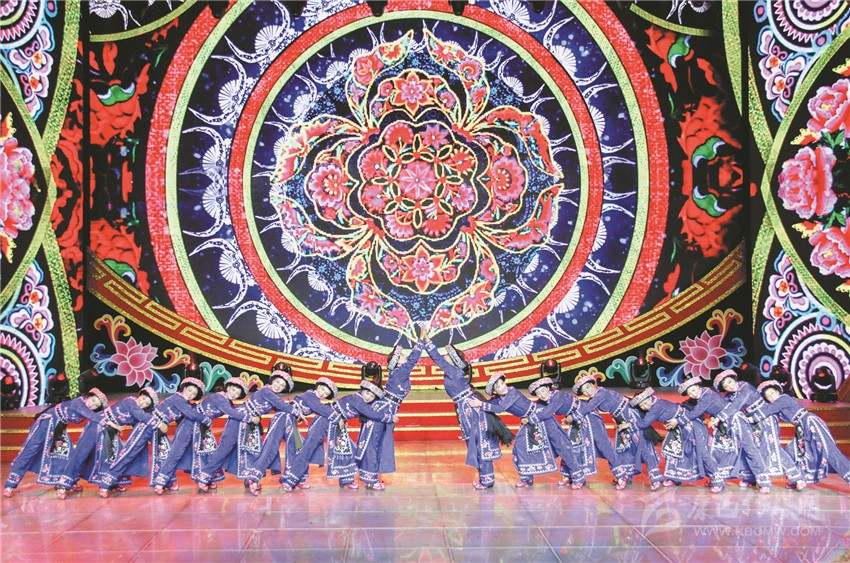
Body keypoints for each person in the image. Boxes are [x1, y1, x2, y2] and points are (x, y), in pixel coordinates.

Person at [195, 364, 304, 495]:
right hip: (240, 420)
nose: (278, 386)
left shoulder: (271, 396)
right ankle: (204, 475)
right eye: (277, 382)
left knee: (251, 450)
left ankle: (248, 477)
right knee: (225, 448)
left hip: (251, 423)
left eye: (282, 385)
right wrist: (297, 412)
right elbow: (281, 405)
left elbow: (279, 407)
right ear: (272, 380)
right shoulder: (266, 391)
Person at [423, 325, 507, 490]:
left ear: (453, 360)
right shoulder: (453, 371)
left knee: (480, 441)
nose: (444, 357)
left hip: (470, 408)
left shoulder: (453, 370)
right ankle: (485, 478)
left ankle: (486, 480)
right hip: (466, 408)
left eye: (447, 355)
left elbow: (436, 357)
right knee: (476, 441)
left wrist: (426, 339)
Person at [99, 378, 211, 497]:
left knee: (165, 453)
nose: (190, 394)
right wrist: (206, 419)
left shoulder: (185, 403)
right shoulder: (177, 398)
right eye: (189, 390)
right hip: (148, 425)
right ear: (184, 388)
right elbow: (191, 413)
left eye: (194, 394)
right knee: (129, 453)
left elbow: (185, 416)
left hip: (159, 429)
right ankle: (105, 484)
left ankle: (164, 482)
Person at [470, 374, 583, 488]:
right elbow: (489, 404)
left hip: (540, 416)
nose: (502, 387)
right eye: (498, 386)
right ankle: (526, 478)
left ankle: (577, 476)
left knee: (561, 445)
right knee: (520, 447)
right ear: (495, 392)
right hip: (528, 421)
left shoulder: (512, 391)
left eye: (502, 383)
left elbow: (500, 409)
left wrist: (480, 404)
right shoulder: (498, 399)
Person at [151, 377, 257, 494]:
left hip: (201, 427)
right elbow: (232, 412)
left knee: (206, 452)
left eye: (237, 393)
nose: (234, 394)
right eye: (233, 390)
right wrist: (250, 418)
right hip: (190, 424)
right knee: (177, 452)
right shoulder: (219, 398)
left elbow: (235, 411)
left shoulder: (227, 401)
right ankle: (160, 482)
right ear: (228, 388)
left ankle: (205, 479)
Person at [4, 389, 117, 497]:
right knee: (31, 449)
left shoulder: (88, 409)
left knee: (66, 453)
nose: (92, 405)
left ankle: (67, 482)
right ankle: (10, 484)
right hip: (46, 422)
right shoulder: (78, 402)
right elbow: (90, 414)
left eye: (96, 405)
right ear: (88, 396)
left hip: (58, 427)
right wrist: (109, 422)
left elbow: (98, 414)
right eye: (93, 400)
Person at [55, 388, 158, 499]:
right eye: (143, 398)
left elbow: (139, 423)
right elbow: (142, 416)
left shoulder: (137, 410)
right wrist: (159, 422)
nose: (143, 403)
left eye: (146, 404)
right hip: (96, 425)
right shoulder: (130, 402)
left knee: (112, 455)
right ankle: (63, 484)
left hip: (109, 431)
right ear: (140, 395)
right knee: (81, 454)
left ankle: (110, 483)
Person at [748, 380, 850, 486]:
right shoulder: (777, 405)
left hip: (810, 422)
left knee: (829, 450)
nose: (771, 397)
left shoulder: (783, 398)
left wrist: (752, 418)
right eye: (768, 396)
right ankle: (799, 479)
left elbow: (768, 409)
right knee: (792, 451)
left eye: (772, 393)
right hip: (801, 427)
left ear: (777, 391)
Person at [356, 334, 425, 489]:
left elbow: (411, 360)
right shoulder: (400, 372)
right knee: (374, 443)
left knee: (378, 443)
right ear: (397, 360)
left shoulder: (398, 373)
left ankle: (371, 478)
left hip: (387, 408)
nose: (406, 356)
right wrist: (421, 339)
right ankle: (371, 479)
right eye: (402, 355)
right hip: (383, 410)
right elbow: (413, 359)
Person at [326, 379, 398, 490]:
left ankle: (346, 480)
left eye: (372, 396)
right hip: (329, 419)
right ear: (362, 389)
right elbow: (372, 413)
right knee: (309, 450)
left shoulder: (360, 399)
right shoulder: (358, 399)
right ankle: (296, 478)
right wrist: (390, 418)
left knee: (347, 451)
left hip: (336, 421)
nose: (368, 397)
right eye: (367, 393)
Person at [526, 376, 597, 487]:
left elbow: (547, 412)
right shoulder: (546, 399)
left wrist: (529, 419)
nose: (542, 395)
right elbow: (537, 406)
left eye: (543, 391)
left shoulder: (558, 396)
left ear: (548, 388)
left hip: (584, 416)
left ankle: (579, 476)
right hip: (574, 419)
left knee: (579, 448)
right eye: (538, 393)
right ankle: (568, 475)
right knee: (569, 446)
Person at [571, 374, 634, 488]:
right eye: (584, 391)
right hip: (621, 418)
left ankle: (624, 476)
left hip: (629, 414)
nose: (587, 392)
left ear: (593, 385)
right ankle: (625, 475)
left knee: (634, 447)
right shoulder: (595, 396)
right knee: (624, 448)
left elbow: (588, 408)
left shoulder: (601, 393)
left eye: (588, 387)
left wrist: (572, 417)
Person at [278, 377, 339, 491]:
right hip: (286, 418)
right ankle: (289, 478)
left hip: (291, 421)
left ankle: (298, 479)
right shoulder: (310, 395)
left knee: (299, 448)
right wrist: (337, 417)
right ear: (318, 387)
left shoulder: (315, 399)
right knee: (295, 449)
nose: (323, 394)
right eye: (323, 390)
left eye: (326, 394)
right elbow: (320, 408)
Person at [662, 377, 719, 488]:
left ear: (698, 386)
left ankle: (717, 480)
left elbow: (698, 412)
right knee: (677, 449)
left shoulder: (707, 394)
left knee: (704, 453)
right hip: (688, 426)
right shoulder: (688, 403)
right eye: (690, 393)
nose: (693, 394)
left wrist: (713, 417)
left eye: (693, 390)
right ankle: (674, 477)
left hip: (703, 427)